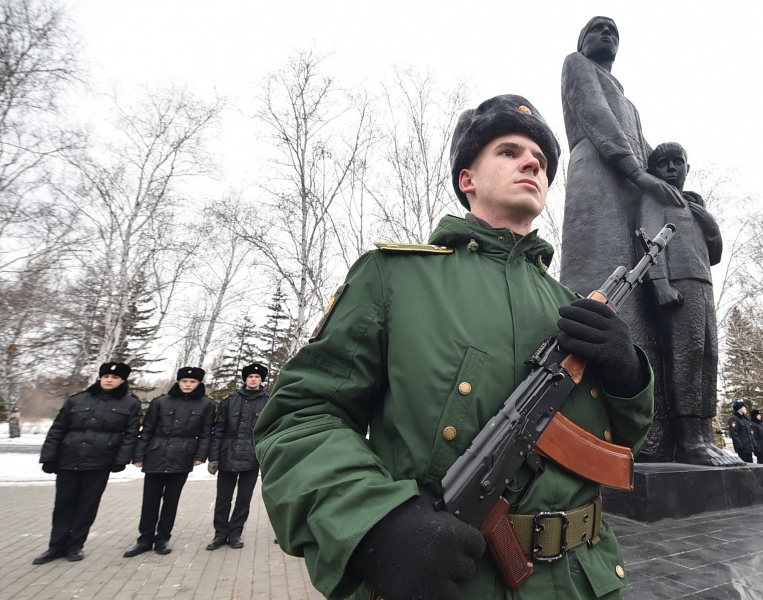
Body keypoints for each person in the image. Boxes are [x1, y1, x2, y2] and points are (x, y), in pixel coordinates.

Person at [253, 95, 655, 600]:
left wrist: (628, 376)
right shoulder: (394, 277)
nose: (532, 163)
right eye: (509, 152)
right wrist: (372, 522)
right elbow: (301, 416)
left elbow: (622, 449)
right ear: (467, 179)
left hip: (583, 583)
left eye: (541, 160)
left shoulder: (571, 308)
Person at [559, 18, 687, 465]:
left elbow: (646, 149)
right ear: (583, 41)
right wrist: (637, 172)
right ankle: (595, 422)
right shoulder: (577, 64)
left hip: (632, 183)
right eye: (598, 29)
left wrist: (670, 187)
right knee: (603, 278)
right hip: (599, 174)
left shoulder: (629, 101)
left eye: (614, 31)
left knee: (638, 290)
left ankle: (650, 433)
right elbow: (595, 115)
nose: (608, 35)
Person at [635, 143, 729, 465]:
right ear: (654, 170)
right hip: (678, 285)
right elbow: (649, 240)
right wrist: (660, 283)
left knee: (708, 358)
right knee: (685, 358)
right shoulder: (656, 198)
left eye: (678, 162)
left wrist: (710, 223)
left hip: (703, 285)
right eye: (664, 163)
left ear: (688, 167)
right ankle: (689, 441)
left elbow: (714, 255)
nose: (672, 168)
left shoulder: (693, 204)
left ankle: (706, 437)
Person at [34, 362, 141, 564]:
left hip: (99, 462)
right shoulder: (77, 399)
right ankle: (55, 546)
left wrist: (120, 460)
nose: (109, 380)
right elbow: (57, 429)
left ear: (122, 381)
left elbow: (130, 434)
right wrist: (48, 457)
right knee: (63, 504)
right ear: (100, 377)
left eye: (115, 377)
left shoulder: (130, 403)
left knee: (87, 505)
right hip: (68, 459)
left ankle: (75, 546)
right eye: (106, 376)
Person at [124, 367, 215, 557]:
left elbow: (205, 432)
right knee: (150, 501)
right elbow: (147, 429)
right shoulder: (161, 402)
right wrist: (139, 455)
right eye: (184, 381)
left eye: (192, 382)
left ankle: (163, 538)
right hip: (156, 454)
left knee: (171, 502)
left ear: (199, 383)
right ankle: (144, 539)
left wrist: (200, 455)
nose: (188, 385)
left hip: (182, 456)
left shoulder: (206, 404)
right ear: (178, 382)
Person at [206, 362, 269, 550]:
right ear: (245, 379)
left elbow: (270, 432)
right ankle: (219, 534)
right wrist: (213, 457)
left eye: (257, 377)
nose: (253, 380)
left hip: (252, 457)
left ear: (261, 380)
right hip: (227, 455)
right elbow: (218, 430)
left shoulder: (268, 402)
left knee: (244, 499)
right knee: (223, 498)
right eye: (250, 377)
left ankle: (235, 534)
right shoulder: (229, 401)